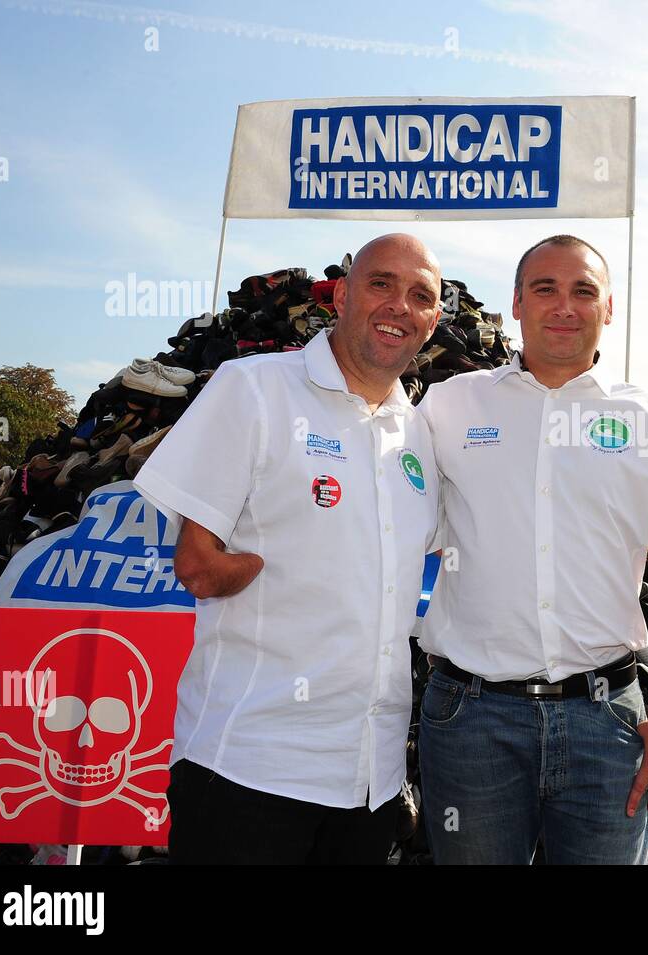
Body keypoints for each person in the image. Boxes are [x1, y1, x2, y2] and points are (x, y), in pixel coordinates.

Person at [133, 234, 443, 863]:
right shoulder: (253, 389)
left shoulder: (421, 433)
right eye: (381, 283)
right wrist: (245, 571)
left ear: (433, 320)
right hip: (249, 769)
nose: (399, 306)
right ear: (342, 292)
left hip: (370, 783)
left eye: (421, 296)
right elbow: (196, 561)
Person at [416, 234, 648, 865]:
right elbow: (385, 525)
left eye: (583, 290)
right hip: (469, 721)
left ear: (608, 308)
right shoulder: (448, 406)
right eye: (545, 289)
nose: (564, 305)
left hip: (607, 724)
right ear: (516, 305)